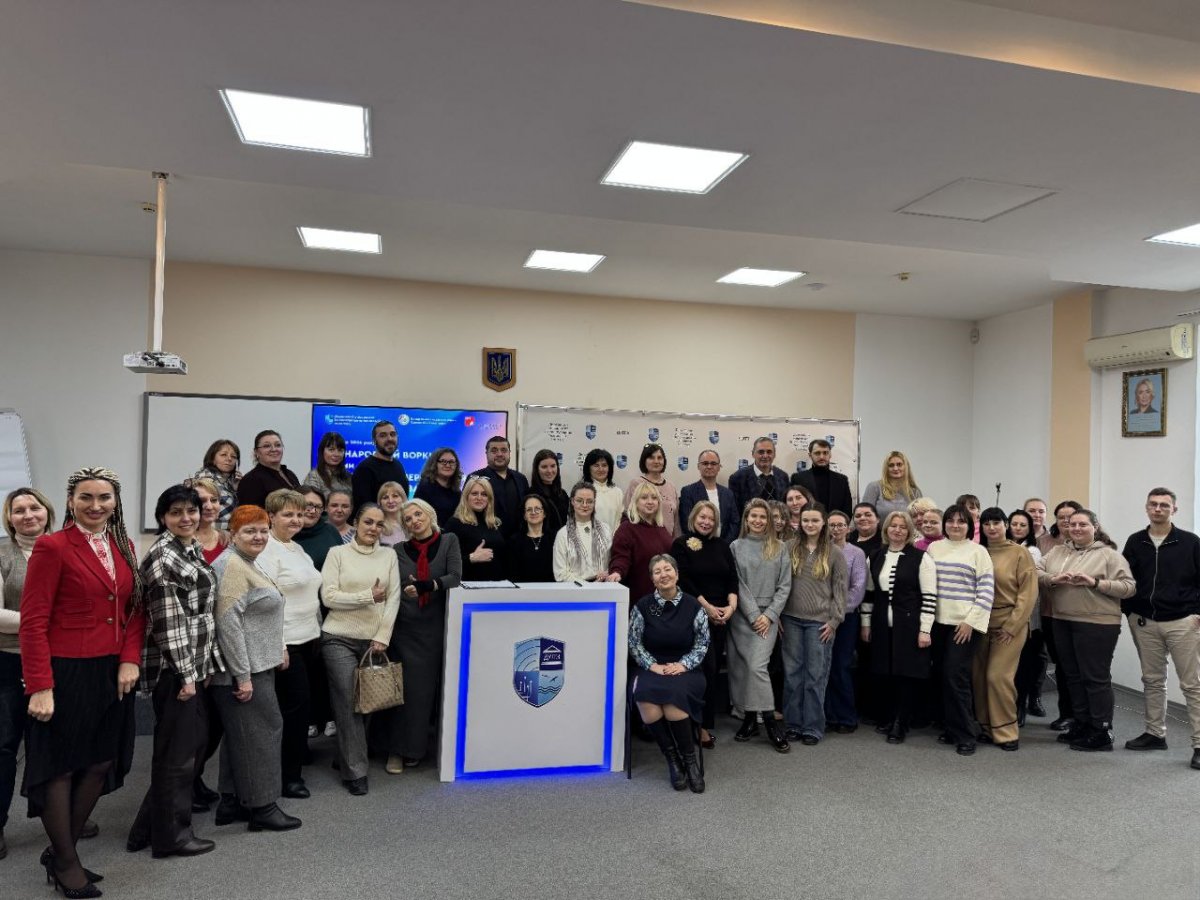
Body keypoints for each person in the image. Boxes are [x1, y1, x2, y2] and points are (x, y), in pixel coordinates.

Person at [20, 467, 146, 896]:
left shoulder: (124, 545)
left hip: (111, 670)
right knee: (62, 765)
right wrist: (40, 684)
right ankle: (67, 861)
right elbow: (33, 622)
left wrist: (130, 659)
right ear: (70, 500)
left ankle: (60, 852)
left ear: (116, 502)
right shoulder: (52, 547)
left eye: (104, 498)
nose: (96, 506)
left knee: (99, 762)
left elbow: (134, 609)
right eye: (86, 497)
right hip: (65, 670)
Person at [125, 485, 222, 859]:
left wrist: (203, 666)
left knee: (184, 751)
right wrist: (186, 675)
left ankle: (146, 830)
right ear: (162, 517)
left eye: (192, 511)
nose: (186, 518)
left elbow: (203, 617)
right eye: (176, 512)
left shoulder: (189, 547)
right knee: (178, 759)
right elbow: (169, 624)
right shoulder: (164, 557)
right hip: (174, 669)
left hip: (192, 666)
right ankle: (172, 838)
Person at [208, 505, 301, 833]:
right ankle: (262, 806)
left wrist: (279, 646)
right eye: (250, 531)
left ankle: (232, 801)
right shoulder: (232, 565)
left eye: (263, 530)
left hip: (256, 663)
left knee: (241, 737)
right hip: (243, 670)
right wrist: (242, 676)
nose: (258, 536)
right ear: (233, 534)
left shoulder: (246, 562)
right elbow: (228, 624)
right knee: (262, 734)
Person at [1038, 508, 1135, 752]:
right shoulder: (1058, 551)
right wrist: (1054, 578)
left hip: (1097, 623)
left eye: (1082, 524)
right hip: (1062, 620)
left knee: (1094, 678)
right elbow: (1036, 572)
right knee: (1072, 675)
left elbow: (1129, 587)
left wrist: (1095, 583)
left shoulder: (1109, 555)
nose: (1077, 529)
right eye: (1072, 525)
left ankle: (1101, 730)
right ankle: (1081, 724)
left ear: (1095, 527)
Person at [319, 504, 401, 794]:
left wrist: (383, 636)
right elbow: (329, 597)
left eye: (379, 524)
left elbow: (393, 599)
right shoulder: (337, 554)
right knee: (348, 700)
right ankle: (356, 771)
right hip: (337, 636)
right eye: (368, 522)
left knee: (367, 702)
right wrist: (367, 596)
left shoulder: (389, 555)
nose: (373, 528)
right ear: (356, 523)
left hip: (373, 640)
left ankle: (346, 755)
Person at [1121, 488, 1200, 769]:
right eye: (1153, 504)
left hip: (1182, 622)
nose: (1158, 509)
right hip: (1144, 621)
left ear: (1173, 510)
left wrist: (1197, 614)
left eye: (1164, 505)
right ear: (1146, 508)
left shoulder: (1190, 542)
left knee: (1192, 684)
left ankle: (1199, 744)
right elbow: (1125, 578)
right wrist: (1129, 612)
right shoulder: (1135, 541)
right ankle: (1155, 733)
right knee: (1152, 680)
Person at [257, 489, 323, 801]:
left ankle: (293, 765)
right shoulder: (266, 550)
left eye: (299, 514)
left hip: (310, 637)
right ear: (270, 516)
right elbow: (266, 602)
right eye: (288, 514)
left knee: (302, 709)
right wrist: (279, 644)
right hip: (287, 644)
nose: (295, 519)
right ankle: (287, 777)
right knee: (293, 712)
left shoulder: (296, 548)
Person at [0, 487, 54, 861]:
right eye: (18, 510)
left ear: (47, 511)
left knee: (54, 746)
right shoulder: (2, 553)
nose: (28, 514)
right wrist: (43, 624)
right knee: (3, 747)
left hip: (58, 662)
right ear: (9, 518)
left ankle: (60, 818)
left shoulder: (66, 547)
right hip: (9, 660)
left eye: (34, 507)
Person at [390, 499, 462, 771]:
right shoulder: (397, 550)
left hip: (437, 628)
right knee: (408, 693)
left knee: (428, 693)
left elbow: (455, 577)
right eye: (407, 519)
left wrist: (428, 585)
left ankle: (422, 748)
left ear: (429, 514)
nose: (414, 520)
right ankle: (401, 749)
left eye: (417, 514)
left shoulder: (449, 541)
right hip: (406, 629)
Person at [629, 554, 709, 793]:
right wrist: (651, 664)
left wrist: (683, 664)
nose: (663, 575)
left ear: (676, 573)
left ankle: (690, 761)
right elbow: (634, 642)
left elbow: (703, 643)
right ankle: (673, 760)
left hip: (686, 668)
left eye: (667, 569)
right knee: (646, 699)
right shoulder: (642, 606)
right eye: (657, 572)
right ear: (652, 579)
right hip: (651, 666)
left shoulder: (694, 605)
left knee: (674, 702)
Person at [859, 511, 936, 744]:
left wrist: (925, 630)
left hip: (910, 626)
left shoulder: (921, 558)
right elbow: (868, 594)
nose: (898, 530)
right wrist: (865, 623)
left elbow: (930, 597)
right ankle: (890, 715)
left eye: (903, 527)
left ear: (910, 530)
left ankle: (901, 722)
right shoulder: (875, 555)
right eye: (893, 526)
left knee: (906, 674)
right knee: (886, 671)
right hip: (882, 624)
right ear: (886, 529)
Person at [927, 504, 994, 756]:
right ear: (944, 524)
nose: (955, 525)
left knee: (956, 678)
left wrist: (970, 622)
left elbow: (987, 591)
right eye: (951, 520)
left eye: (961, 521)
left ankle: (966, 734)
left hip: (963, 625)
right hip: (936, 623)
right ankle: (950, 727)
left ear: (969, 525)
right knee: (941, 677)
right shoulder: (934, 548)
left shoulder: (979, 552)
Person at [673, 501, 738, 749]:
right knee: (695, 670)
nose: (706, 522)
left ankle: (703, 725)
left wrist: (730, 608)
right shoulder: (681, 544)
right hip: (693, 615)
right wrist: (707, 608)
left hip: (721, 617)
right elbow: (685, 580)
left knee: (711, 671)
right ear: (693, 518)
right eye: (702, 517)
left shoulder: (722, 545)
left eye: (711, 518)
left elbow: (732, 577)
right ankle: (685, 722)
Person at [728, 499, 792, 753]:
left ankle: (768, 721)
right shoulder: (736, 546)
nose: (758, 521)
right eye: (753, 516)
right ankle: (748, 720)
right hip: (743, 616)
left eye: (762, 517)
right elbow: (737, 583)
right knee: (744, 668)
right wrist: (754, 614)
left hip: (768, 618)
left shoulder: (779, 547)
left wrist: (769, 615)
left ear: (770, 521)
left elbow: (785, 585)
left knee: (757, 666)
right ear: (746, 519)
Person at [781, 505, 847, 745]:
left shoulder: (834, 552)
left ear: (823, 523)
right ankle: (792, 724)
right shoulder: (789, 548)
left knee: (815, 675)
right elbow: (781, 584)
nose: (809, 524)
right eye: (805, 520)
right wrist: (777, 614)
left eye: (814, 520)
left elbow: (840, 591)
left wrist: (835, 620)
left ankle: (812, 727)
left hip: (820, 623)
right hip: (791, 619)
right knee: (792, 675)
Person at [975, 508, 1037, 751]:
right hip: (980, 623)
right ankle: (985, 727)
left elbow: (1028, 593)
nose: (992, 527)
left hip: (1010, 623)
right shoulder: (979, 551)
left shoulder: (1019, 552)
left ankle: (1007, 731)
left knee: (997, 676)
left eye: (997, 523)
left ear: (1006, 524)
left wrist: (1012, 626)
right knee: (978, 676)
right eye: (987, 523)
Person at [1040, 499, 1081, 731]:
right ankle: (1067, 712)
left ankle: (1082, 714)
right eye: (1061, 517)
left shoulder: (1092, 543)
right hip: (1049, 612)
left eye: (1071, 516)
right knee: (1063, 666)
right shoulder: (1045, 543)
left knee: (1078, 666)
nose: (1066, 521)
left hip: (1079, 614)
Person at [824, 509, 867, 734]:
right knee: (825, 667)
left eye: (840, 525)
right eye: (832, 525)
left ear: (848, 528)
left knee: (841, 666)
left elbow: (858, 589)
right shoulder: (822, 551)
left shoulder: (856, 553)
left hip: (846, 618)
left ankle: (847, 717)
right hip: (821, 619)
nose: (836, 529)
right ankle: (829, 716)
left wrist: (837, 613)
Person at [1008, 509, 1046, 723]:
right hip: (1003, 613)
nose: (1018, 528)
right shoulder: (1000, 546)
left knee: (1024, 665)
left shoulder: (1032, 551)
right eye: (1014, 524)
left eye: (1023, 525)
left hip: (1027, 617)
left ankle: (1019, 707)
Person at [609, 483, 674, 602]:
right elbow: (621, 557)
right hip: (639, 598)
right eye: (644, 498)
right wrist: (617, 572)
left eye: (654, 498)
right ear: (636, 502)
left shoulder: (661, 528)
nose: (650, 502)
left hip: (663, 597)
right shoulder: (627, 528)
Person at [553, 483, 618, 583]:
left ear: (594, 503)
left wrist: (607, 573)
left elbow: (613, 560)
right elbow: (560, 574)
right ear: (572, 501)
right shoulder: (563, 534)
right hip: (574, 591)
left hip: (604, 587)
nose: (584, 505)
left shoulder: (606, 530)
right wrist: (588, 585)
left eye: (589, 501)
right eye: (579, 501)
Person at [466, 436, 528, 540]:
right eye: (494, 451)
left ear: (509, 452)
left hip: (518, 542)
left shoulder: (520, 479)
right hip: (485, 541)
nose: (499, 454)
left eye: (504, 450)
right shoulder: (475, 478)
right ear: (486, 454)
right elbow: (466, 511)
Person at [448, 476, 508, 581]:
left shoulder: (495, 523)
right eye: (474, 493)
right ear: (466, 497)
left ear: (489, 499)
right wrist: (472, 558)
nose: (479, 498)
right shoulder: (454, 523)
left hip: (498, 586)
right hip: (467, 587)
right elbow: (445, 562)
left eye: (484, 494)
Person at [678, 450, 740, 547]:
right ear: (698, 466)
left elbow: (734, 523)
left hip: (723, 548)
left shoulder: (728, 494)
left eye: (713, 463)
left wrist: (723, 545)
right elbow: (687, 523)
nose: (709, 466)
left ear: (719, 467)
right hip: (697, 548)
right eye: (705, 463)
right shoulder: (688, 492)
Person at [350, 420, 410, 518]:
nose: (389, 438)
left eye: (393, 434)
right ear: (374, 441)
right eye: (383, 435)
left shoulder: (398, 465)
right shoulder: (365, 469)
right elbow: (364, 509)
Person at [623, 443, 681, 540]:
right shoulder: (636, 484)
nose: (656, 461)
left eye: (659, 458)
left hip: (668, 543)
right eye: (651, 458)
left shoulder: (671, 486)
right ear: (644, 461)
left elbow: (676, 521)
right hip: (642, 542)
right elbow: (628, 515)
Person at [236, 430, 301, 508]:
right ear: (256, 452)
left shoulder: (290, 474)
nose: (274, 449)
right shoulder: (251, 479)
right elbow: (249, 516)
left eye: (278, 445)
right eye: (267, 446)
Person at [790, 439, 853, 516]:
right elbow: (793, 506)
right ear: (810, 455)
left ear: (830, 455)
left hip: (833, 526)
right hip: (807, 525)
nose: (822, 457)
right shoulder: (798, 479)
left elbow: (847, 510)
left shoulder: (842, 480)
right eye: (817, 453)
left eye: (825, 453)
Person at [728, 436, 790, 515]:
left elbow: (785, 508)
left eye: (769, 452)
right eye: (761, 452)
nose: (765, 456)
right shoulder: (738, 478)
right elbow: (735, 512)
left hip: (777, 526)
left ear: (774, 454)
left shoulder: (783, 477)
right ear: (753, 454)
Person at [192, 439, 242, 530]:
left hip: (228, 535)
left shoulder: (230, 480)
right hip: (210, 535)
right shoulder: (205, 479)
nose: (229, 459)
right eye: (223, 455)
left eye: (234, 456)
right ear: (212, 459)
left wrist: (237, 490)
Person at [293, 485, 343, 571]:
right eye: (308, 505)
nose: (313, 511)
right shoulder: (283, 535)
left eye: (319, 507)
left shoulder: (330, 531)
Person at [861, 451, 922, 519]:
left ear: (906, 467)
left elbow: (920, 519)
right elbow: (863, 515)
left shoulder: (915, 492)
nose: (895, 468)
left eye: (899, 464)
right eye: (891, 465)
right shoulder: (874, 487)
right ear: (886, 469)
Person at [509, 495, 556, 583]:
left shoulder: (555, 538)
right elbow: (512, 574)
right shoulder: (514, 541)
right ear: (524, 516)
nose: (533, 512)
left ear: (544, 513)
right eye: (529, 509)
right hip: (523, 592)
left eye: (537, 508)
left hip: (551, 591)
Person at [413, 447, 463, 529]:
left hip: (453, 537)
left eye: (451, 462)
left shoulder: (456, 491)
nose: (448, 465)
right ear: (434, 464)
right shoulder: (425, 488)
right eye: (443, 461)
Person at [582, 449, 624, 537]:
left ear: (609, 468)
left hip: (613, 543)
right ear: (589, 468)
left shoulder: (617, 492)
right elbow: (578, 521)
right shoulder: (581, 491)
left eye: (604, 465)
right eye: (596, 465)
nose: (601, 469)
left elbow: (620, 520)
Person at [527, 449, 570, 533]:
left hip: (562, 542)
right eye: (544, 467)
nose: (549, 471)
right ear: (537, 469)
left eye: (553, 466)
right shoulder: (531, 495)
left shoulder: (562, 494)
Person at [190, 478, 230, 565]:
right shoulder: (182, 543)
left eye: (214, 500)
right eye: (202, 501)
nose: (209, 507)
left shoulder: (226, 539)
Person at [303, 431, 352, 496]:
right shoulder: (314, 477)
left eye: (340, 450)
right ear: (322, 452)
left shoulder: (349, 477)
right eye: (331, 450)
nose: (336, 454)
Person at [377, 481, 408, 548]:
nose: (390, 501)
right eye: (385, 497)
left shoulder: (411, 522)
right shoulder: (377, 526)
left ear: (403, 499)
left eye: (395, 496)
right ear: (380, 502)